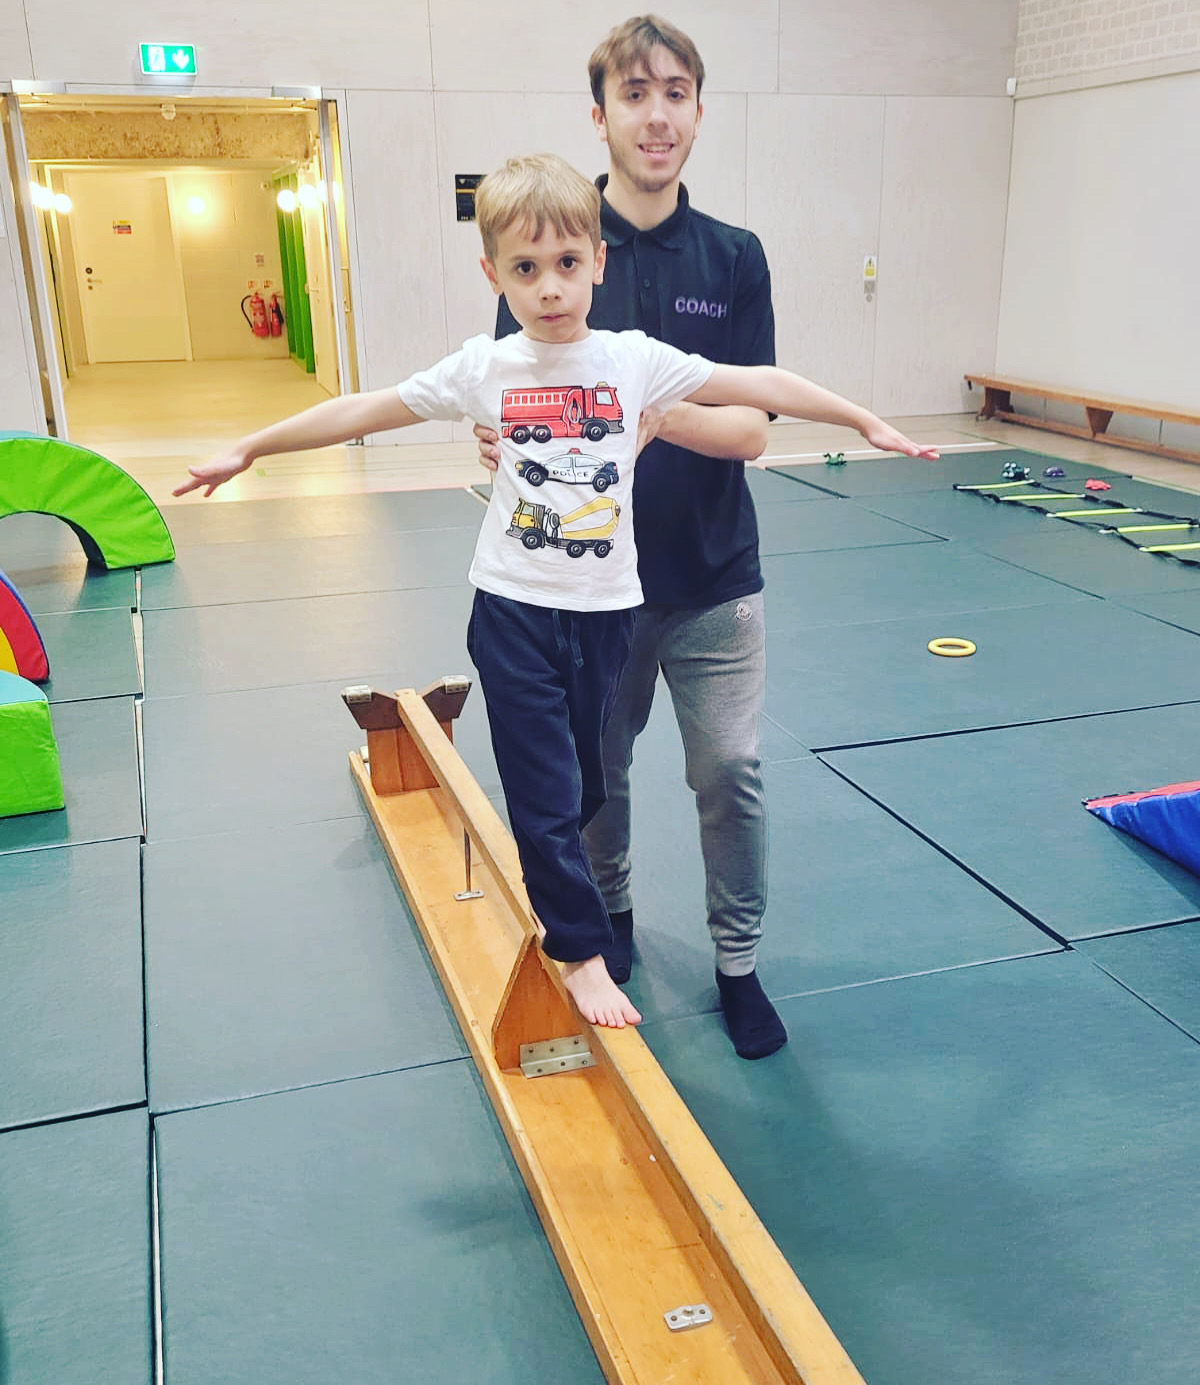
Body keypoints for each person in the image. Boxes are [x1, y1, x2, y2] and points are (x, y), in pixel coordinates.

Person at [174, 152, 936, 1037]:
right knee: (543, 787)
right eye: (526, 270)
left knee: (582, 790)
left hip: (608, 615)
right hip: (513, 606)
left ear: (598, 263)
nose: (549, 288)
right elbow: (365, 408)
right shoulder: (484, 368)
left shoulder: (633, 360)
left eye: (568, 265)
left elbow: (756, 386)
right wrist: (252, 447)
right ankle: (577, 951)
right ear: (494, 274)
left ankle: (588, 907)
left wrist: (861, 418)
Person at [479, 16, 789, 1058]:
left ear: (698, 109)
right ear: (601, 113)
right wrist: (507, 449)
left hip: (712, 581)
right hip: (584, 596)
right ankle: (607, 922)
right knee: (592, 779)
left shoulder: (733, 258)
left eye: (676, 93)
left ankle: (738, 962)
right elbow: (510, 413)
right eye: (635, 93)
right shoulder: (552, 240)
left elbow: (749, 429)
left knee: (730, 771)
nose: (657, 115)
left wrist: (649, 416)